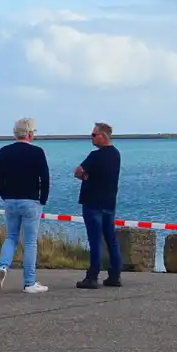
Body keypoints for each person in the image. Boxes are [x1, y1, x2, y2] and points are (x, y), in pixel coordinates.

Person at [0, 117, 50, 294]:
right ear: (30, 133)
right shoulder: (37, 152)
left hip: (10, 200)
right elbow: (45, 178)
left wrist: (4, 195)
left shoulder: (4, 151)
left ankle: (3, 267)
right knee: (30, 241)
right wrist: (43, 199)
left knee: (11, 237)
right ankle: (29, 282)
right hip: (31, 201)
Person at [74, 122, 122, 289]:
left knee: (95, 240)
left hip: (92, 202)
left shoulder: (95, 156)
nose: (91, 138)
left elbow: (78, 171)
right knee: (111, 239)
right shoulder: (116, 154)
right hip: (109, 202)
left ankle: (92, 276)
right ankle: (115, 274)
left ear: (103, 136)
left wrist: (87, 177)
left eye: (94, 135)